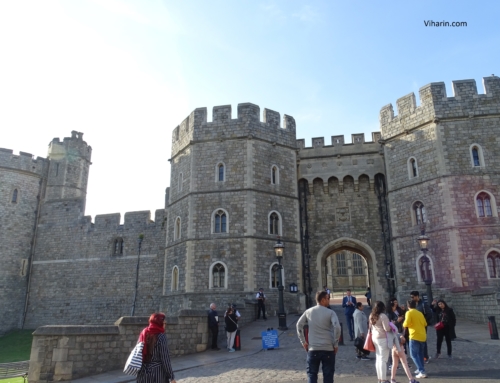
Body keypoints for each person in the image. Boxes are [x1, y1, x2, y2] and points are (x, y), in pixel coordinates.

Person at [297, 291, 341, 383]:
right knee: (328, 375)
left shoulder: (308, 311)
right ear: (323, 300)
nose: (329, 300)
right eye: (328, 298)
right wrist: (335, 343)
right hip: (328, 348)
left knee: (312, 374)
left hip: (313, 348)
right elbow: (337, 326)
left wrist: (303, 342)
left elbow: (299, 325)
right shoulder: (330, 312)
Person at [137, 312, 176, 383]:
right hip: (157, 374)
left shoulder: (144, 333)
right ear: (159, 323)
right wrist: (171, 377)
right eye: (164, 322)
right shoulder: (161, 337)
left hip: (142, 373)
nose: (165, 324)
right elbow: (165, 359)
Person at [403, 300, 428, 379]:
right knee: (420, 354)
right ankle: (420, 368)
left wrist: (407, 324)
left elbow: (405, 323)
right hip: (422, 336)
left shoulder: (409, 313)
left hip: (414, 336)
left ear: (408, 306)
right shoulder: (420, 313)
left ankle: (422, 371)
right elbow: (425, 323)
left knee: (413, 355)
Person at [370, 301, 392, 383]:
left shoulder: (371, 315)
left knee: (378, 358)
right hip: (382, 338)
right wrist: (391, 325)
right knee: (383, 359)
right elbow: (386, 328)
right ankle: (383, 379)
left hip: (374, 337)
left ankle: (380, 378)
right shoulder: (383, 316)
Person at [410, 291, 432, 363]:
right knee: (416, 341)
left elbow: (429, 314)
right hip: (414, 327)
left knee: (423, 341)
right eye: (411, 297)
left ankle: (425, 357)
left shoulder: (423, 304)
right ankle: (420, 356)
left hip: (422, 326)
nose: (412, 298)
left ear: (417, 296)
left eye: (413, 297)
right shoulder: (412, 304)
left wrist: (423, 322)